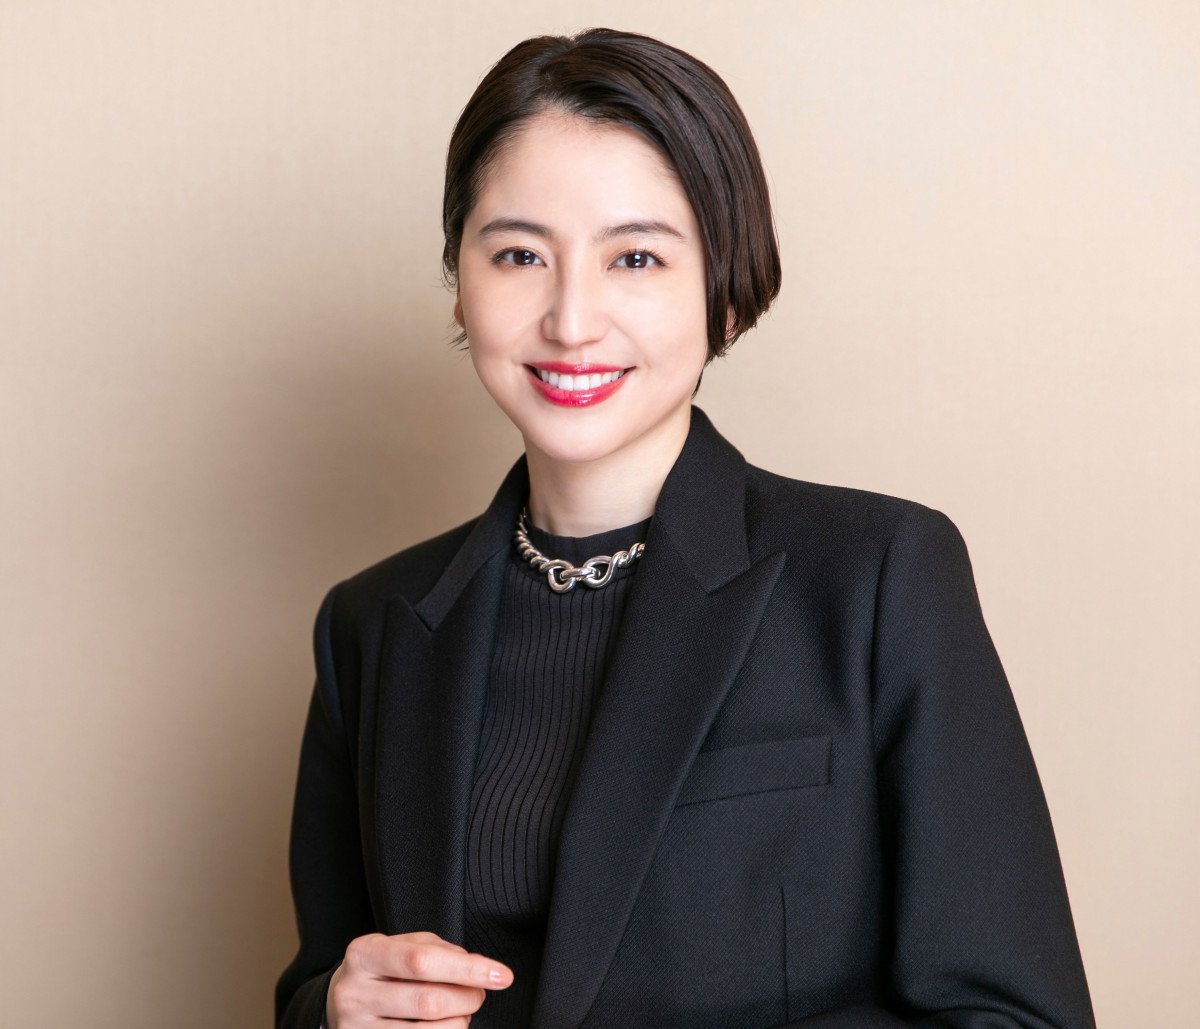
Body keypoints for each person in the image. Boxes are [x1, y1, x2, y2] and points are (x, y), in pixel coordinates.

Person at [275, 28, 1096, 1029]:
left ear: (725, 294)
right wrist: (331, 1012)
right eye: (520, 254)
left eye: (636, 257)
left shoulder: (879, 577)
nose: (572, 320)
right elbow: (322, 976)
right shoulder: (371, 624)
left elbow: (1018, 1015)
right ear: (461, 283)